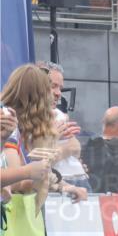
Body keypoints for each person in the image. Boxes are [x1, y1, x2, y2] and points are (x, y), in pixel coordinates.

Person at [1, 64, 87, 204]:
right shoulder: (7, 121)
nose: (56, 95)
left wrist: (64, 187)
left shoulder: (22, 125)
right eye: (50, 88)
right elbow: (15, 181)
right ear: (36, 95)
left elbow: (27, 176)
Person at [38, 61, 90, 192]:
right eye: (53, 86)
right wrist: (61, 148)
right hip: (56, 184)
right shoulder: (23, 118)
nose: (58, 93)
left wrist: (56, 150)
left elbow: (76, 147)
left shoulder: (59, 115)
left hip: (79, 180)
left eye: (60, 88)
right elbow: (37, 159)